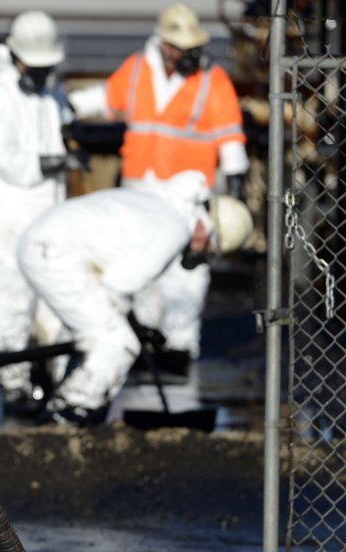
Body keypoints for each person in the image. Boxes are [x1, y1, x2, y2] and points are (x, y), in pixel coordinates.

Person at [67, 3, 250, 366]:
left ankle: (180, 346)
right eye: (182, 49)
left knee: (186, 272)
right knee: (142, 267)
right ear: (165, 45)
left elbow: (229, 135)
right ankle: (148, 339)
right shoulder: (138, 70)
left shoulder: (212, 80)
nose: (189, 56)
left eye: (193, 49)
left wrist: (235, 176)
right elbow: (107, 98)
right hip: (143, 190)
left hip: (189, 193)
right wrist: (66, 107)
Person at [17, 172, 253, 426]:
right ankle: (66, 416)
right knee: (117, 343)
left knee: (99, 337)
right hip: (56, 254)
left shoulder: (164, 208)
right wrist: (135, 326)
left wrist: (134, 322)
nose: (203, 255)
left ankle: (75, 407)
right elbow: (118, 284)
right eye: (210, 248)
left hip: (48, 244)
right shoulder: (173, 230)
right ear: (206, 231)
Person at [0, 10, 81, 414]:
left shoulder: (50, 98)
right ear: (16, 58)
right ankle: (10, 384)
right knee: (9, 300)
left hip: (47, 217)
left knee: (56, 300)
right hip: (5, 217)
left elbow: (67, 127)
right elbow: (11, 164)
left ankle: (54, 384)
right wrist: (57, 162)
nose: (41, 73)